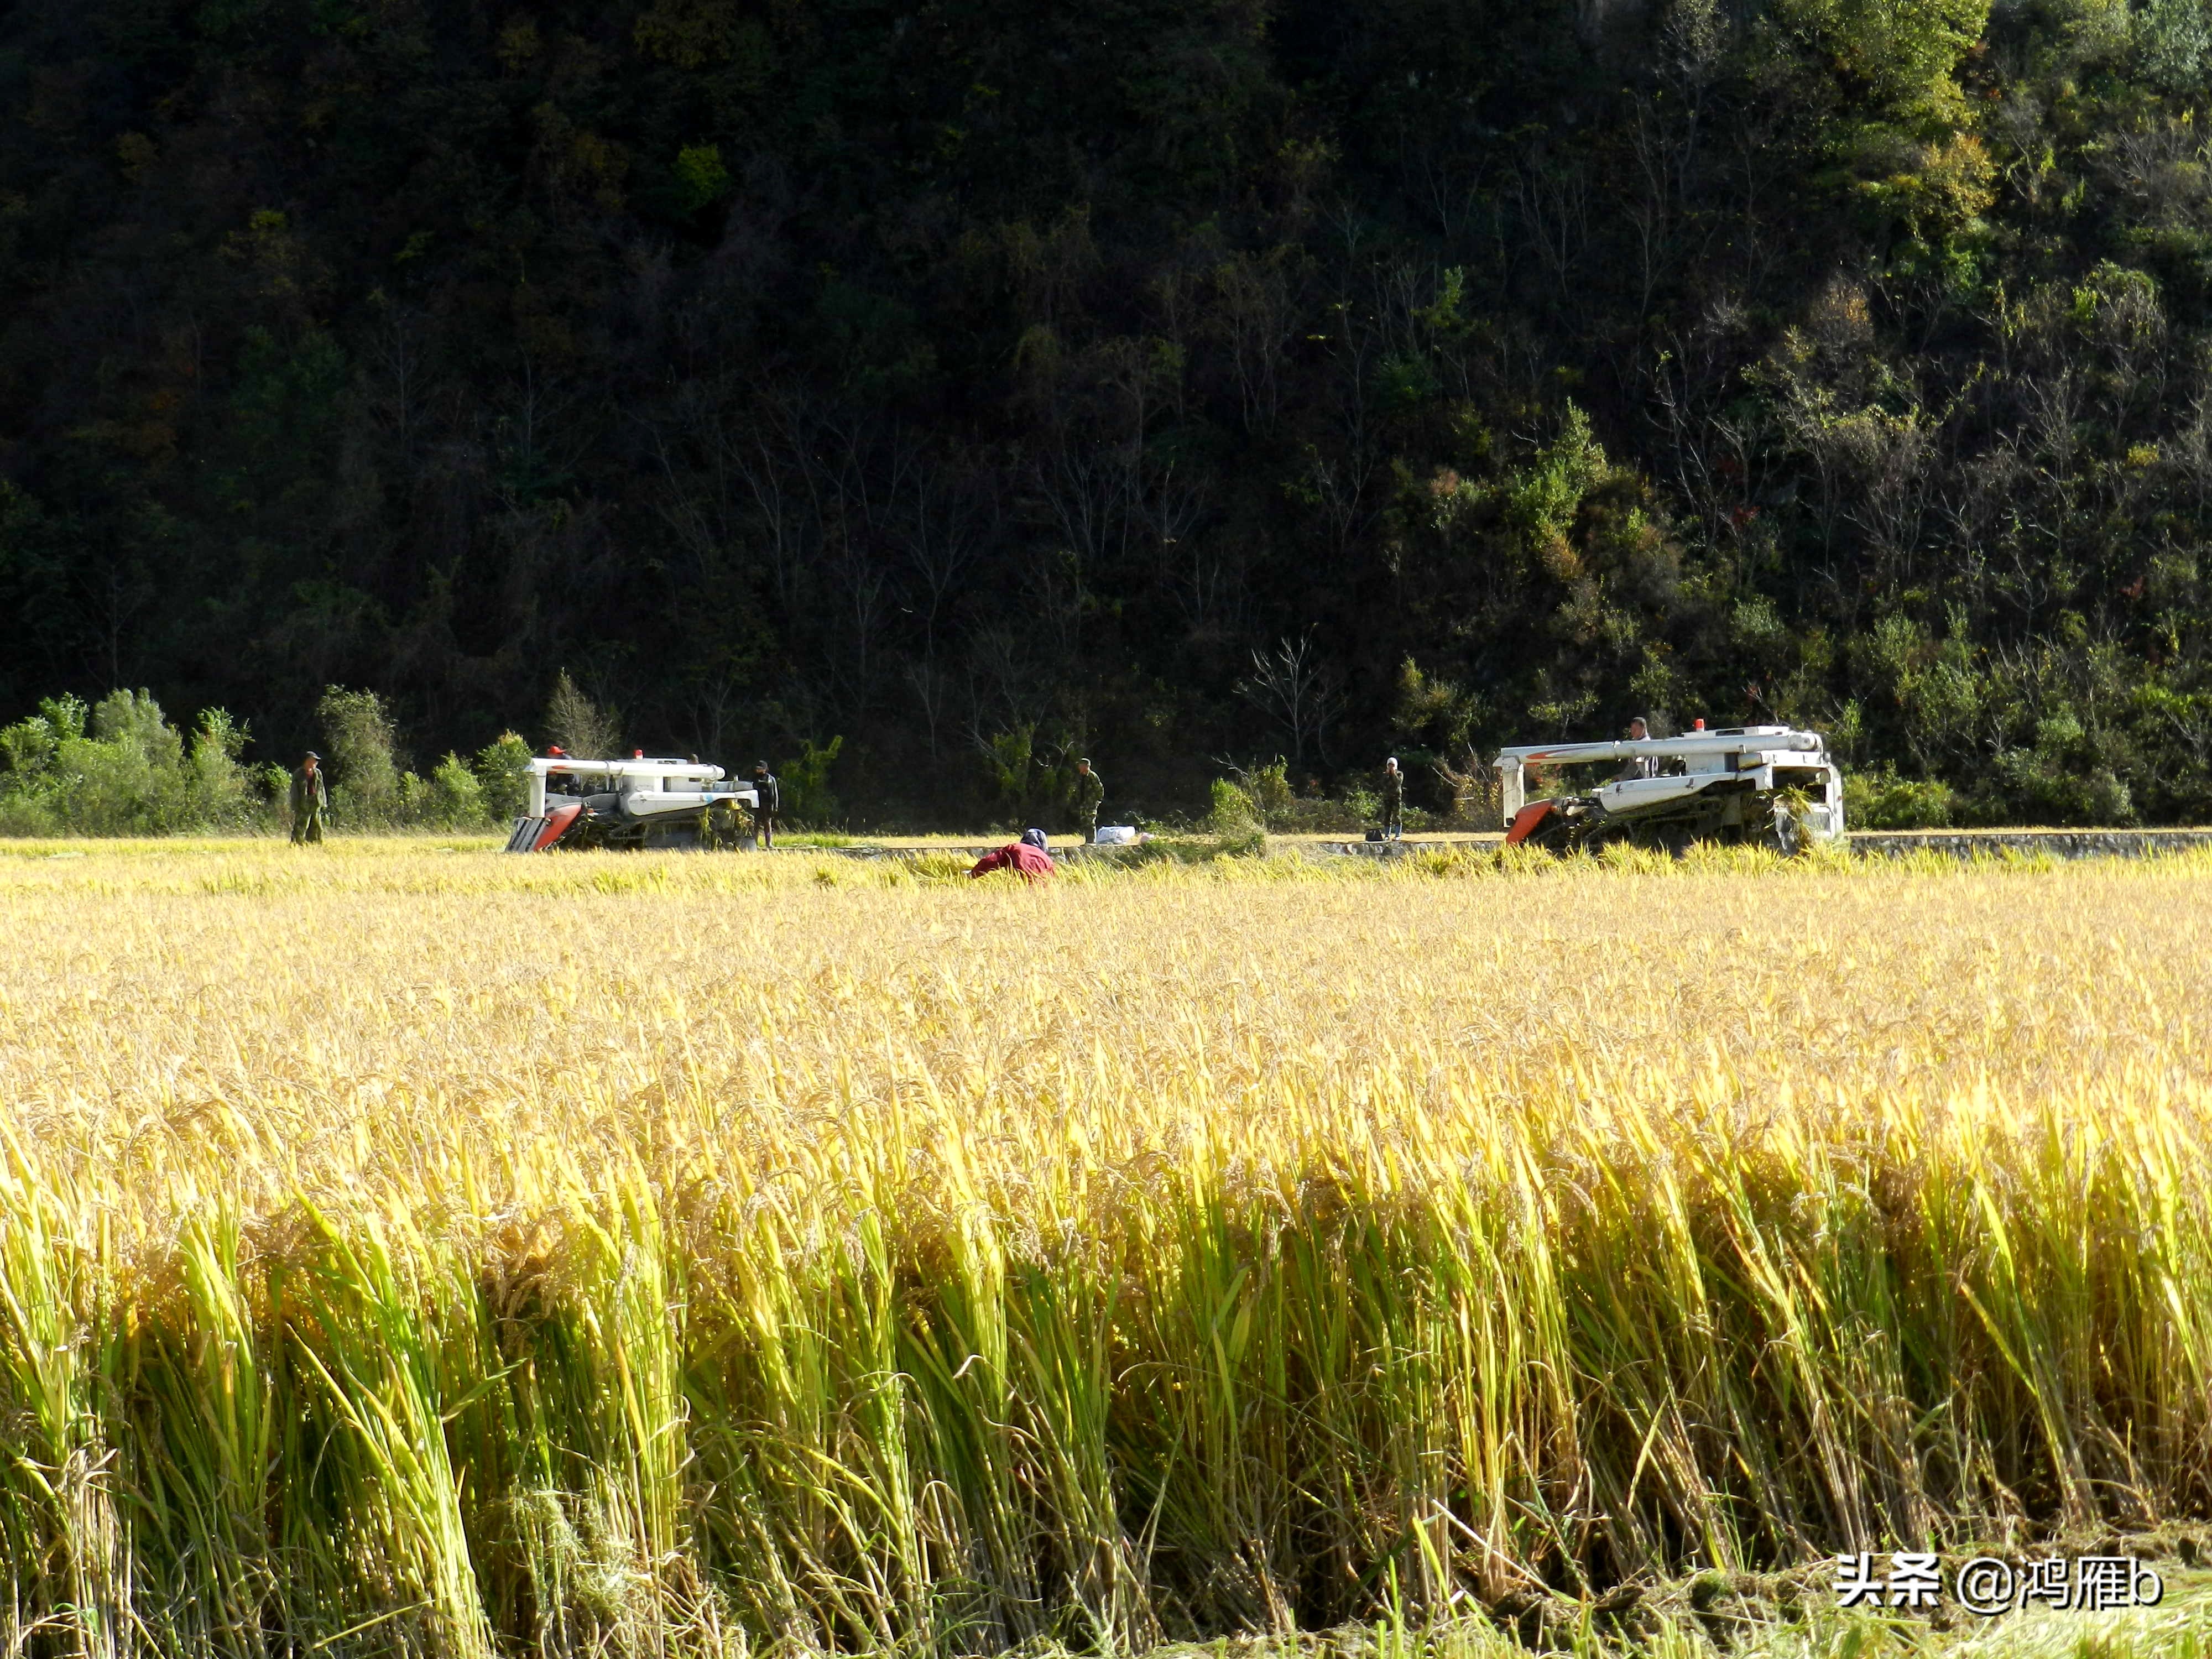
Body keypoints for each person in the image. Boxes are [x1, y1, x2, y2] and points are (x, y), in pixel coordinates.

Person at [969, 827, 1056, 881]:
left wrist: (972, 875)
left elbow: (990, 861)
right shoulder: (1049, 861)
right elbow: (1052, 884)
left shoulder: (1015, 848)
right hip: (1040, 897)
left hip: (1020, 891)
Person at [289, 752, 328, 844]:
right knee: (301, 825)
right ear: (306, 761)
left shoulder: (318, 773)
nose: (315, 763)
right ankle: (297, 843)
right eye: (313, 760)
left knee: (317, 825)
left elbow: (321, 788)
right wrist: (295, 805)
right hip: (303, 803)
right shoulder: (299, 774)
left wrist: (324, 802)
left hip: (315, 801)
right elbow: (294, 790)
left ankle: (315, 844)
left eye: (316, 761)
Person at [1617, 716, 1660, 781]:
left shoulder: (1644, 744)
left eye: (1635, 729)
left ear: (1644, 728)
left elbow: (1634, 768)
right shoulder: (1643, 743)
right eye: (1632, 729)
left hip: (1643, 781)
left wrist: (1622, 777)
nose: (1633, 732)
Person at [1072, 758, 1104, 843]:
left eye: (1081, 765)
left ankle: (1092, 842)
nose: (1079, 767)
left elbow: (1099, 788)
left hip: (1091, 804)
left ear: (1086, 766)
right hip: (1083, 803)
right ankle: (1088, 841)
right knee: (1084, 822)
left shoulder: (1092, 776)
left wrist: (1097, 800)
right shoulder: (1080, 777)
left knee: (1090, 822)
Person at [750, 761, 780, 848]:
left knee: (767, 824)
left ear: (765, 769)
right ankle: (755, 844)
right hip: (757, 804)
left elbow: (775, 793)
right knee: (756, 824)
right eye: (757, 768)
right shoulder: (754, 778)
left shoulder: (771, 779)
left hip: (768, 804)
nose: (758, 770)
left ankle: (769, 843)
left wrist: (776, 806)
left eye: (760, 768)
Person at [1379, 756, 1405, 841]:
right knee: (1387, 816)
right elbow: (1382, 784)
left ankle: (1398, 835)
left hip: (1396, 797)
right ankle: (1387, 835)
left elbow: (1398, 783)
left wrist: (1393, 773)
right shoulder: (1385, 774)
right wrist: (1387, 774)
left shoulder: (1399, 774)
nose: (1391, 767)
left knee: (1397, 815)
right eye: (1389, 765)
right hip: (1387, 798)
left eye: (1392, 765)